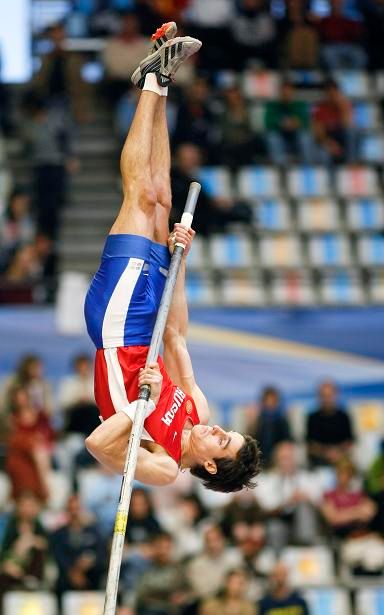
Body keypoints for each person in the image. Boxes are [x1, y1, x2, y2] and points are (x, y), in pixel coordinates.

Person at [84, 22, 261, 493]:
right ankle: (161, 78)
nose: (216, 428)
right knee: (161, 198)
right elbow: (177, 337)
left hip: (119, 331)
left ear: (209, 466)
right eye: (228, 431)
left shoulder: (164, 467)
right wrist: (178, 260)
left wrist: (140, 407)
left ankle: (150, 80)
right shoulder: (197, 410)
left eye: (221, 442)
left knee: (140, 198)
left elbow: (99, 446)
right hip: (153, 320)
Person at [321, 457, 376, 540]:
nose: (344, 477)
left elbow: (369, 512)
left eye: (347, 473)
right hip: (339, 538)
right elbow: (332, 519)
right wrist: (357, 512)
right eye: (341, 473)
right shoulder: (330, 495)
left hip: (361, 536)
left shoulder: (358, 494)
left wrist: (343, 513)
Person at [306, 380, 354, 467]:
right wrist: (326, 453)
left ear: (336, 395)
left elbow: (349, 442)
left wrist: (337, 452)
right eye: (324, 396)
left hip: (341, 458)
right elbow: (310, 445)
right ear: (319, 397)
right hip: (319, 460)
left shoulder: (344, 417)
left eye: (329, 395)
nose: (327, 399)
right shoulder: (312, 418)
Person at [264, 80, 313, 166]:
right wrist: (281, 123)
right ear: (280, 92)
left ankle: (307, 167)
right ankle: (281, 168)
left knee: (305, 137)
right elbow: (268, 122)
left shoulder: (300, 104)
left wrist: (297, 123)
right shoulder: (272, 105)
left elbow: (306, 122)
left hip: (295, 136)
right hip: (280, 135)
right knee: (272, 137)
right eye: (284, 91)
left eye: (288, 90)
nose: (286, 93)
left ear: (292, 92)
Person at [312, 79, 358, 165]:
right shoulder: (320, 109)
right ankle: (327, 177)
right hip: (328, 141)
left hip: (343, 141)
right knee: (323, 154)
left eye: (334, 92)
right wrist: (330, 144)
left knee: (352, 134)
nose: (332, 95)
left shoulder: (345, 106)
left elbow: (348, 125)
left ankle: (351, 165)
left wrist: (341, 107)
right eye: (329, 93)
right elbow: (319, 134)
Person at [246, 386, 291, 466]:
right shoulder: (258, 420)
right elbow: (249, 440)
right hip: (258, 456)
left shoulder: (281, 420)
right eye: (267, 401)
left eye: (273, 401)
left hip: (277, 457)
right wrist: (252, 422)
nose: (270, 404)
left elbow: (286, 440)